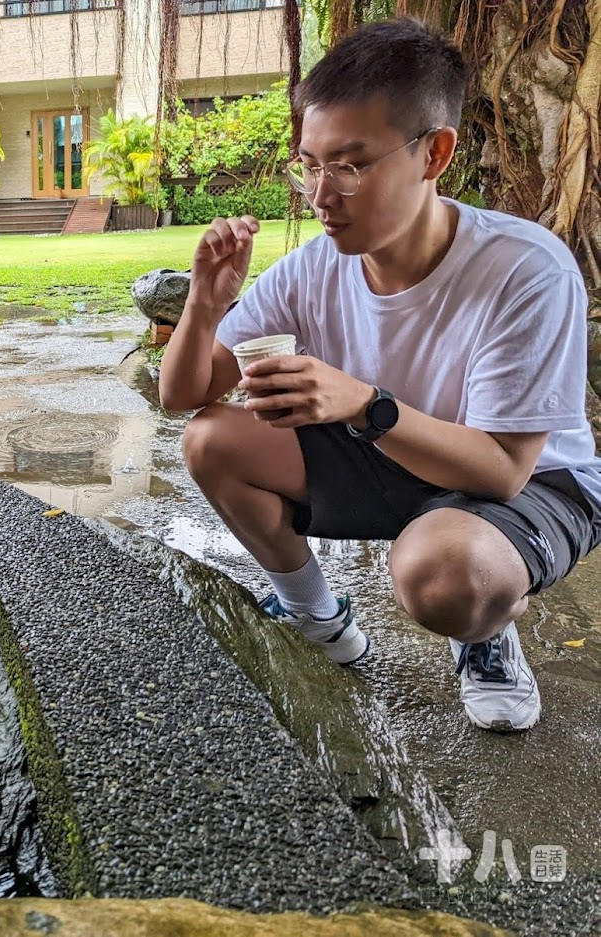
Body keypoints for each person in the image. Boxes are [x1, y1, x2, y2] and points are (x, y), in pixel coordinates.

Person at [158, 17, 601, 733]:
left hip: (531, 484)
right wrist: (205, 308)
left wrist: (364, 404)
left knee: (440, 572)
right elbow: (184, 396)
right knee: (212, 439)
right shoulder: (314, 268)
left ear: (435, 154)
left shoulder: (523, 269)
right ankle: (315, 615)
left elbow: (501, 472)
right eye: (308, 164)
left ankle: (485, 630)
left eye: (351, 165)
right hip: (388, 452)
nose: (320, 194)